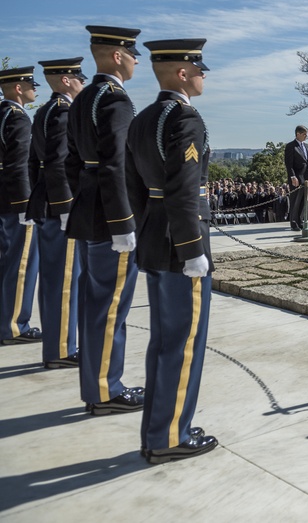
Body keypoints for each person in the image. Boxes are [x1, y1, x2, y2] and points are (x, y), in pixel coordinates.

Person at [126, 38, 217, 463]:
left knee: (164, 341)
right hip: (182, 243)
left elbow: (135, 187)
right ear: (182, 73)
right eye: (199, 69)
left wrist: (150, 228)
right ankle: (170, 437)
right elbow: (183, 187)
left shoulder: (143, 118)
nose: (203, 75)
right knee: (183, 342)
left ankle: (157, 430)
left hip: (154, 235)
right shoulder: (186, 119)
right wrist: (192, 247)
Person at [66, 25, 144, 414]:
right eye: (132, 54)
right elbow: (116, 166)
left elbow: (71, 162)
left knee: (95, 303)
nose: (135, 61)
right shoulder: (115, 100)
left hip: (88, 212)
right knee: (110, 306)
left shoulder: (81, 99)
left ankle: (98, 386)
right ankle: (105, 391)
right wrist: (124, 223)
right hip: (110, 218)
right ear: (117, 55)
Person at [26, 58, 87, 367]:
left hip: (46, 203)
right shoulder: (63, 112)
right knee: (63, 281)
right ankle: (61, 349)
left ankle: (55, 345)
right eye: (78, 78)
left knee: (53, 281)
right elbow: (58, 164)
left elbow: (33, 162)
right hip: (59, 207)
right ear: (66, 80)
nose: (82, 83)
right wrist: (66, 209)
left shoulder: (45, 111)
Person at [0, 66, 41, 346]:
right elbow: (18, 167)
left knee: (5, 265)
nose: (34, 89)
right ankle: (14, 326)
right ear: (17, 88)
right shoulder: (18, 118)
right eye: (30, 85)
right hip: (14, 204)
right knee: (20, 266)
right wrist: (26, 205)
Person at [284, 125, 308, 231]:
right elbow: (289, 163)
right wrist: (292, 176)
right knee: (295, 201)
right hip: (296, 177)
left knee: (303, 202)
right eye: (304, 134)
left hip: (306, 177)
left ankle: (301, 221)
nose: (306, 136)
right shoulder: (291, 146)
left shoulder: (307, 146)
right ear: (298, 134)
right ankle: (294, 222)